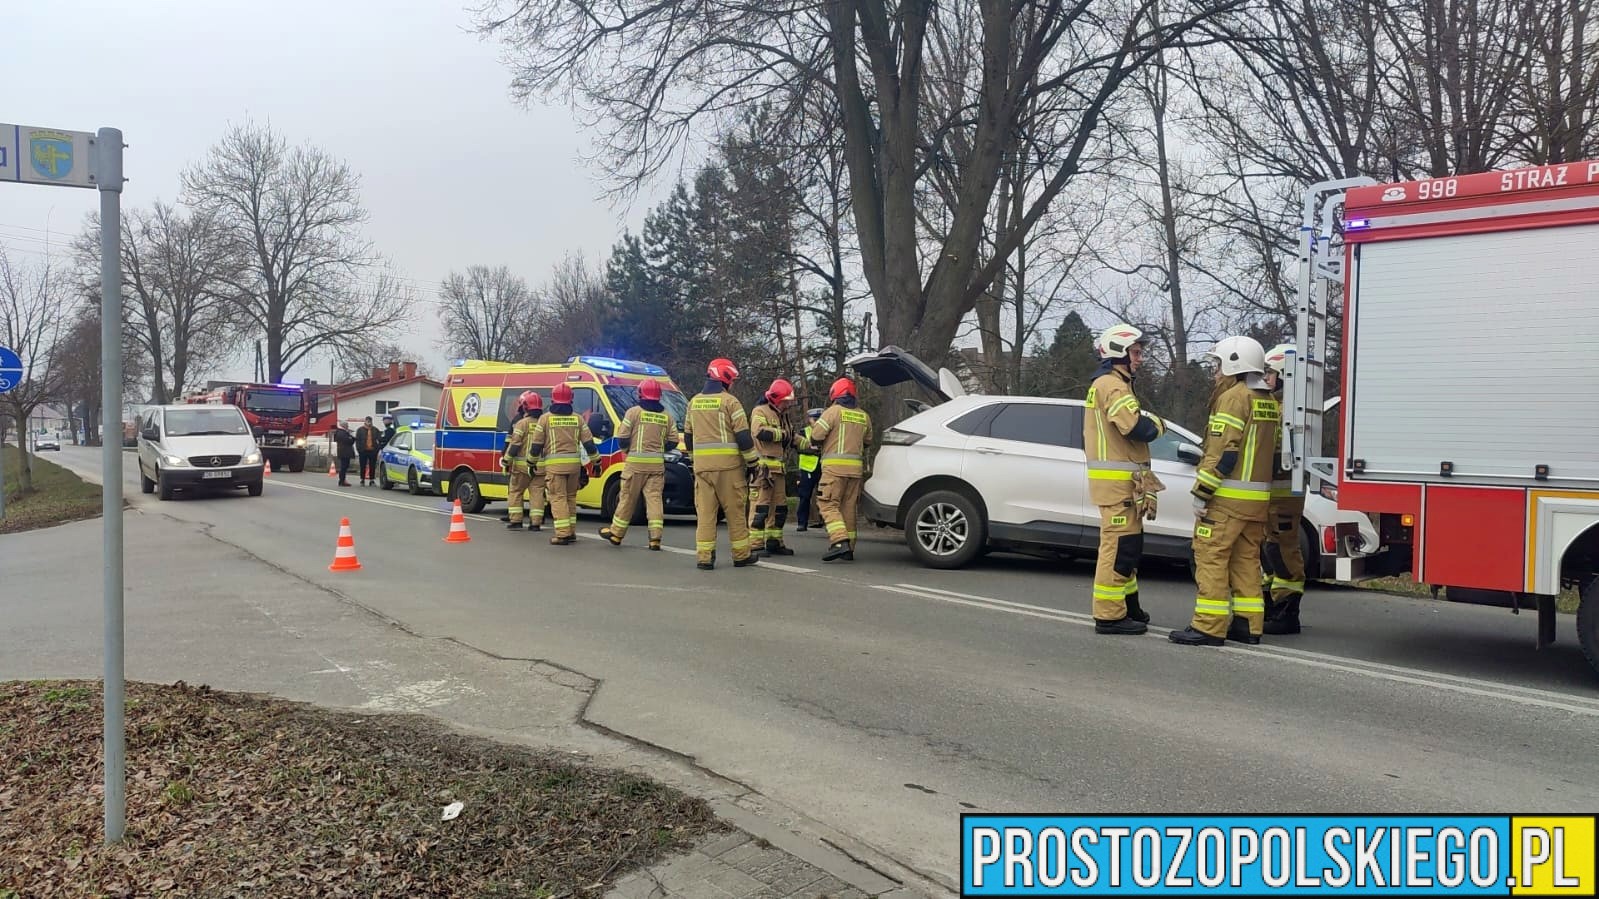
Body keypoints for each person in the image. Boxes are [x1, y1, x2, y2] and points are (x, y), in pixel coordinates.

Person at [1170, 335, 1279, 647]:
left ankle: (1208, 626)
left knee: (1211, 557)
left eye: (1218, 365)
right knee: (1246, 561)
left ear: (1235, 363)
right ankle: (1248, 625)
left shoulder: (1234, 398)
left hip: (1227, 501)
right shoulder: (1266, 399)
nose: (1215, 372)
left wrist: (1202, 491)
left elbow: (1223, 453)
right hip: (1256, 504)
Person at [1084, 323, 1167, 636]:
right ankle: (1108, 615)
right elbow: (1137, 429)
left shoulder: (1114, 384)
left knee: (1129, 547)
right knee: (1118, 549)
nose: (1140, 358)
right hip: (1117, 487)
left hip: (1124, 487)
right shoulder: (1112, 386)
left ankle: (1129, 606)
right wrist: (1160, 424)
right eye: (1136, 352)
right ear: (1118, 353)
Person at [683, 358, 761, 570]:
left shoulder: (693, 402)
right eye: (732, 379)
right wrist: (753, 462)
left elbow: (688, 437)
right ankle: (741, 555)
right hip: (728, 469)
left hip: (702, 469)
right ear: (725, 378)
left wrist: (693, 460)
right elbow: (743, 437)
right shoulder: (730, 402)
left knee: (706, 515)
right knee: (735, 512)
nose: (733, 383)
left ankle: (704, 557)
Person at [600, 378, 681, 550]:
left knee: (627, 499)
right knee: (654, 500)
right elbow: (673, 441)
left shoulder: (633, 413)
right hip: (656, 466)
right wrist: (659, 449)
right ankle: (655, 538)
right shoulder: (667, 416)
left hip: (635, 465)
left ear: (640, 394)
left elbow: (622, 437)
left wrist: (628, 450)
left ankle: (616, 534)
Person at [1262, 343, 1307, 635]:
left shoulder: (1290, 413)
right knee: (1269, 549)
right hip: (1271, 496)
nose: (1265, 379)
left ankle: (1287, 612)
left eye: (1269, 373)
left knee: (1282, 550)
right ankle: (1272, 606)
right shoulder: (1278, 407)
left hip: (1284, 497)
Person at [809, 377, 873, 562]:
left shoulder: (832, 412)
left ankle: (839, 541)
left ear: (835, 394)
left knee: (828, 504)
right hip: (855, 472)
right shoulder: (864, 416)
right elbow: (868, 442)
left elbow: (816, 436)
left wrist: (816, 427)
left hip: (834, 470)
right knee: (848, 508)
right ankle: (849, 548)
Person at [528, 383, 599, 545]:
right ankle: (571, 532)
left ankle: (562, 534)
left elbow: (536, 445)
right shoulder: (578, 418)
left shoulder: (545, 419)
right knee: (570, 498)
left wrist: (531, 463)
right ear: (571, 400)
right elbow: (589, 444)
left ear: (553, 399)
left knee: (558, 498)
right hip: (574, 467)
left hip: (555, 467)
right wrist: (596, 462)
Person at [748, 378, 796, 557]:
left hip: (778, 470)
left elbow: (791, 438)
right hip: (763, 471)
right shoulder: (760, 411)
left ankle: (774, 541)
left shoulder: (782, 416)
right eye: (786, 401)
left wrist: (810, 444)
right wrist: (782, 434)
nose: (788, 404)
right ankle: (755, 544)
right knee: (760, 508)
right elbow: (759, 432)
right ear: (777, 399)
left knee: (780, 509)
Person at [501, 391, 544, 531]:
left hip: (521, 468)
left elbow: (515, 444)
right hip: (540, 468)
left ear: (525, 408)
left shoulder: (521, 423)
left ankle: (516, 520)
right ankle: (535, 523)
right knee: (537, 494)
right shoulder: (544, 423)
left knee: (516, 492)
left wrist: (506, 460)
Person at [794, 408, 823, 532]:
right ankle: (802, 522)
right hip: (807, 469)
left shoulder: (825, 431)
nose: (816, 422)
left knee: (825, 496)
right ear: (809, 420)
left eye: (819, 419)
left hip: (823, 467)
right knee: (804, 496)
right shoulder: (803, 432)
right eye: (814, 419)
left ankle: (825, 521)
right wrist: (814, 450)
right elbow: (798, 447)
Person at [355, 416, 382, 485]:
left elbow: (380, 439)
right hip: (363, 450)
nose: (369, 422)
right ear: (365, 421)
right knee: (362, 465)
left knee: (372, 466)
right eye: (367, 421)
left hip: (373, 450)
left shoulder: (375, 430)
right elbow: (357, 440)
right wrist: (359, 449)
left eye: (370, 421)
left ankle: (372, 480)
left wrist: (377, 449)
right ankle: (362, 479)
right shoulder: (360, 430)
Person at [331, 422, 356, 487]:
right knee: (344, 466)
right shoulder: (341, 432)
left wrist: (351, 438)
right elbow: (348, 440)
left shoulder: (342, 432)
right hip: (344, 452)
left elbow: (350, 439)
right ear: (343, 425)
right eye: (347, 425)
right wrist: (351, 438)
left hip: (344, 451)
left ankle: (342, 480)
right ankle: (342, 480)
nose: (348, 426)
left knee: (345, 466)